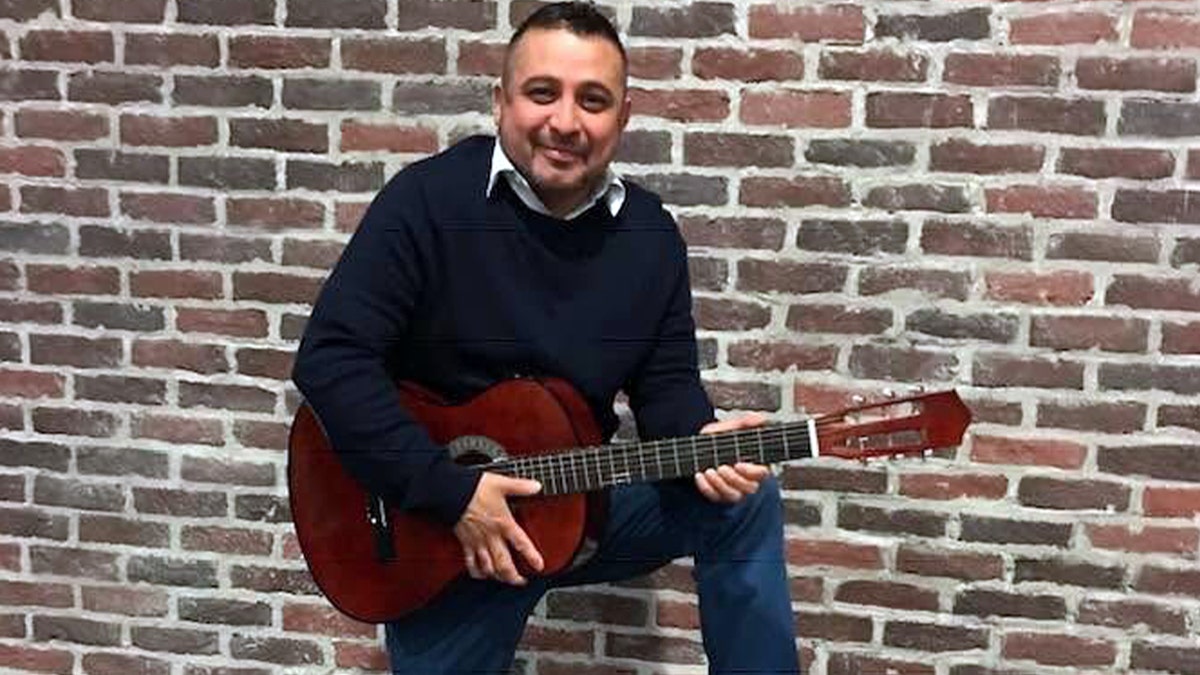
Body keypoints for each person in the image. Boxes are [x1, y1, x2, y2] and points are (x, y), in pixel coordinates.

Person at [291, 3, 801, 674]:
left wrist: (701, 439)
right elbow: (331, 360)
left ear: (622, 116)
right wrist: (451, 494)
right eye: (542, 93)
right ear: (500, 101)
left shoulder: (649, 237)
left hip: (577, 508)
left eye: (593, 100)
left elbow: (667, 389)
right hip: (434, 528)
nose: (565, 122)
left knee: (745, 500)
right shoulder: (427, 201)